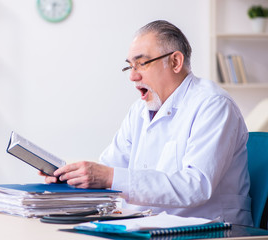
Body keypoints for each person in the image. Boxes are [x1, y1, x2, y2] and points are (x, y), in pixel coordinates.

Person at [40, 20, 253, 226]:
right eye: (129, 67)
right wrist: (71, 179)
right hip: (147, 225)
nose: (132, 76)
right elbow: (109, 168)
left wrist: (108, 177)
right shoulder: (140, 110)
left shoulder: (213, 105)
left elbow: (196, 186)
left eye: (141, 63)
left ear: (175, 62)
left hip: (210, 228)